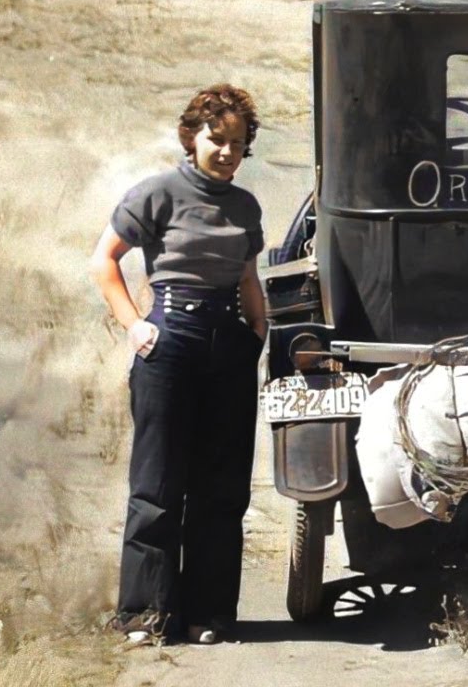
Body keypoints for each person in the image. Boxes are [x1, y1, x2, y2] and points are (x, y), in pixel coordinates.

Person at [88, 84, 267, 646]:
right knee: (158, 482)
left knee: (221, 488)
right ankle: (144, 614)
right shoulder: (158, 193)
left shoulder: (245, 206)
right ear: (193, 137)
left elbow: (246, 278)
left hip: (228, 346)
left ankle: (207, 614)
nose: (227, 151)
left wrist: (258, 333)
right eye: (218, 139)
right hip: (169, 341)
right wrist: (134, 325)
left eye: (238, 143)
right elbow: (104, 261)